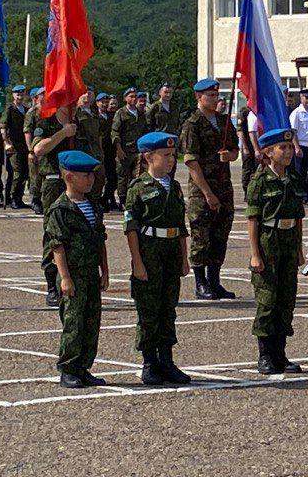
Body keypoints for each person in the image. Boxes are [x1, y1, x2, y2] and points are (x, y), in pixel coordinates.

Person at [124, 131, 192, 386]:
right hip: (150, 252)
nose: (170, 160)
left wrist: (184, 259)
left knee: (168, 308)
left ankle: (167, 360)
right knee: (149, 310)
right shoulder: (138, 188)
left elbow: (180, 226)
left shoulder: (173, 187)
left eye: (172, 156)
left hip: (171, 252)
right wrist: (137, 262)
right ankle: (149, 362)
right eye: (165, 156)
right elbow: (131, 227)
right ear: (148, 157)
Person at [44, 150, 110, 389]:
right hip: (74, 274)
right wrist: (65, 278)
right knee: (74, 323)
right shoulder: (60, 209)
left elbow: (100, 239)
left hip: (91, 272)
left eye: (92, 175)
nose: (91, 180)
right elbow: (57, 247)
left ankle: (84, 367)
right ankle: (69, 368)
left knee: (92, 322)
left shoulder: (92, 205)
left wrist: (105, 271)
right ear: (69, 177)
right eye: (85, 176)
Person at [246, 127, 306, 375]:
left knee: (286, 299)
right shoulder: (259, 181)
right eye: (283, 148)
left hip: (289, 240)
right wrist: (255, 253)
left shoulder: (292, 180)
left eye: (291, 147)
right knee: (268, 300)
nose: (289, 152)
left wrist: (300, 248)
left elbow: (299, 216)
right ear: (269, 152)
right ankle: (265, 354)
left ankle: (280, 353)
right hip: (268, 242)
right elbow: (253, 220)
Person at [180, 78, 239, 300]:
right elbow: (191, 163)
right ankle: (200, 282)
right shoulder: (192, 124)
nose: (214, 99)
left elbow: (235, 150)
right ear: (198, 97)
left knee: (220, 234)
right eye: (210, 96)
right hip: (202, 189)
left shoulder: (224, 122)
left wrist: (230, 156)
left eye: (216, 95)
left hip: (223, 186)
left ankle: (215, 280)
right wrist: (207, 193)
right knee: (201, 235)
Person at [32, 101, 80, 306]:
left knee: (78, 231)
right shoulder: (47, 121)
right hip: (54, 182)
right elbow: (38, 149)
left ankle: (74, 279)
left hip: (78, 182)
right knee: (54, 233)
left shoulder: (81, 121)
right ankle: (52, 284)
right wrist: (63, 133)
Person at [111, 87, 147, 207]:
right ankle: (122, 200)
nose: (133, 99)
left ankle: (134, 199)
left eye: (135, 96)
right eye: (131, 96)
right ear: (125, 98)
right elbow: (115, 132)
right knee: (123, 176)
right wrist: (119, 149)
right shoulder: (121, 113)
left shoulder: (140, 114)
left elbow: (144, 131)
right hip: (125, 150)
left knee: (137, 176)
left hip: (138, 151)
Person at [2, 85, 30, 209]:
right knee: (17, 173)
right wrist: (6, 142)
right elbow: (3, 126)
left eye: (21, 94)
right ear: (13, 95)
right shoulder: (9, 109)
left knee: (25, 173)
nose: (19, 96)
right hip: (14, 146)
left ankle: (19, 197)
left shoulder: (26, 109)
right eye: (17, 94)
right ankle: (12, 197)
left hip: (25, 146)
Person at [24, 88, 45, 213]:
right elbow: (27, 131)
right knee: (35, 175)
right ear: (37, 97)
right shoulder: (32, 112)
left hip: (49, 147)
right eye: (43, 94)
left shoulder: (52, 111)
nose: (46, 96)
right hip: (36, 147)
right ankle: (35, 200)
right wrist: (30, 150)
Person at [97, 93, 118, 209]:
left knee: (113, 177)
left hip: (111, 150)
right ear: (97, 103)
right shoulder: (95, 116)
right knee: (99, 177)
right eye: (102, 102)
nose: (104, 104)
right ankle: (99, 200)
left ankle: (107, 198)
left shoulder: (113, 116)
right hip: (98, 150)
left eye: (106, 102)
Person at [235, 99, 259, 194]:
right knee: (248, 170)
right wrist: (245, 147)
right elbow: (240, 131)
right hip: (248, 145)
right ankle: (247, 192)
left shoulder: (259, 111)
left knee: (257, 169)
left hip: (258, 144)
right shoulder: (244, 112)